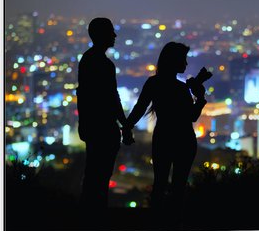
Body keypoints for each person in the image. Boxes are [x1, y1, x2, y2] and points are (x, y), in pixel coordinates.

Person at [124, 42, 208, 210]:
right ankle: (174, 222)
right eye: (183, 59)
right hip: (184, 139)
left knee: (160, 183)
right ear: (174, 61)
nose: (186, 64)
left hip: (163, 137)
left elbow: (139, 108)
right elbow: (192, 116)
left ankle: (156, 222)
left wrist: (127, 127)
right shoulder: (180, 88)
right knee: (179, 185)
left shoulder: (153, 83)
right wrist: (200, 98)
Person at [76, 17, 132, 209]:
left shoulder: (87, 60)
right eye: (110, 31)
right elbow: (111, 97)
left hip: (93, 126)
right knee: (100, 175)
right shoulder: (103, 64)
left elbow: (84, 95)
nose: (114, 35)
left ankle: (90, 214)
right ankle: (95, 216)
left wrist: (83, 123)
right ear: (102, 35)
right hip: (104, 127)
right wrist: (124, 124)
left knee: (94, 173)